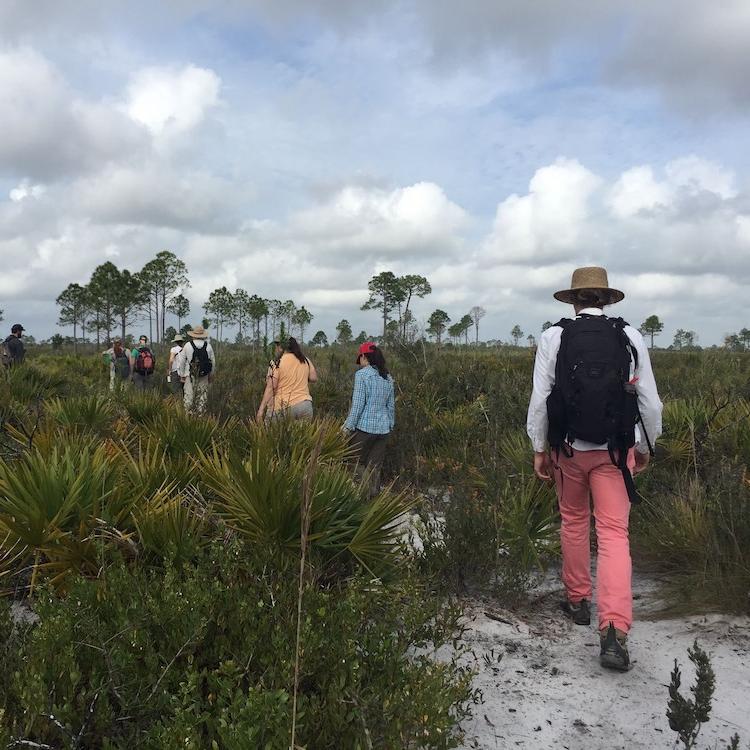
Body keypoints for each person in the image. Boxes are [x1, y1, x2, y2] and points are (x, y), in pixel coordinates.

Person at [526, 266, 662, 671]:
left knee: (572, 520)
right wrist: (644, 445)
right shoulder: (629, 336)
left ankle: (578, 600)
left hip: (569, 450)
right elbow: (650, 402)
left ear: (574, 300)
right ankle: (614, 631)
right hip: (616, 453)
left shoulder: (555, 336)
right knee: (614, 533)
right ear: (605, 299)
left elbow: (541, 396)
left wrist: (539, 447)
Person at [343, 342, 395, 497]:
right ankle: (374, 499)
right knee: (375, 467)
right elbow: (390, 406)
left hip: (364, 429)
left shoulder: (362, 375)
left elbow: (358, 405)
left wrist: (347, 427)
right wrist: (390, 425)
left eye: (361, 357)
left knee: (353, 462)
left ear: (365, 357)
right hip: (383, 430)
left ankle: (364, 494)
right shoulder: (388, 377)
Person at [256, 337, 317, 422]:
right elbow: (313, 378)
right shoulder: (304, 360)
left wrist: (261, 409)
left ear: (281, 347)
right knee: (301, 435)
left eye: (277, 345)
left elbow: (271, 388)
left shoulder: (277, 363)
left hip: (282, 407)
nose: (276, 348)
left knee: (271, 434)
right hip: (305, 405)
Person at [176, 325, 215, 414]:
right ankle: (200, 416)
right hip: (204, 375)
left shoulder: (187, 345)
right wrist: (210, 375)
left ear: (193, 335)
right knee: (202, 397)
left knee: (189, 397)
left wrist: (182, 375)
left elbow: (182, 362)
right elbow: (213, 362)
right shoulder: (208, 346)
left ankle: (188, 416)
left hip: (189, 375)